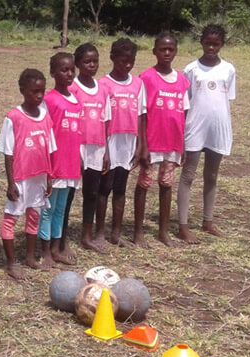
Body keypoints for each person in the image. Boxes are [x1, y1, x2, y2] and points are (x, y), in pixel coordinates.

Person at [177, 24, 237, 244]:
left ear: (222, 45)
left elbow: (226, 99)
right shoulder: (191, 69)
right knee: (188, 175)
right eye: (208, 43)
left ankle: (208, 221)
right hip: (195, 127)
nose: (211, 48)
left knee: (211, 176)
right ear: (201, 42)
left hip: (218, 128)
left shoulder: (228, 69)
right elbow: (186, 102)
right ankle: (183, 225)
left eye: (216, 44)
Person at [135, 32, 191, 248]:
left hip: (173, 142)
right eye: (162, 49)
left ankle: (163, 231)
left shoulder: (182, 80)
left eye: (170, 49)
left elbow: (183, 113)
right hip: (152, 142)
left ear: (176, 51)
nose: (166, 53)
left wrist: (182, 144)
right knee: (144, 184)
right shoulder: (146, 78)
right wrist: (142, 145)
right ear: (154, 51)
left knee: (166, 185)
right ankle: (138, 232)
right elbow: (142, 113)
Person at [0, 69, 55, 276]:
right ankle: (11, 262)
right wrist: (11, 182)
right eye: (34, 91)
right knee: (11, 219)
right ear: (22, 90)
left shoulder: (46, 117)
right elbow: (8, 153)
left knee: (34, 216)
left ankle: (30, 257)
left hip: (39, 178)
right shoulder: (13, 117)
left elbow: (50, 149)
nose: (39, 96)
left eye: (42, 91)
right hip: (21, 178)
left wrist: (49, 177)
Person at [98, 38, 146, 246]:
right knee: (104, 187)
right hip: (109, 141)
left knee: (120, 188)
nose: (127, 65)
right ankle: (100, 232)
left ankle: (116, 233)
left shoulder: (138, 84)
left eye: (131, 61)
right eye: (122, 61)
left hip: (128, 141)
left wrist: (140, 145)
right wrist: (104, 149)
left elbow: (141, 115)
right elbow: (100, 118)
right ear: (112, 58)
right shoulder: (103, 84)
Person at [39, 52, 81, 265]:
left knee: (60, 209)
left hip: (71, 165)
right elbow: (44, 133)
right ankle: (45, 251)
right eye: (64, 70)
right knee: (47, 209)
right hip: (55, 164)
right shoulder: (49, 100)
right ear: (53, 72)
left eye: (72, 69)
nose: (69, 74)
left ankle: (56, 249)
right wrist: (46, 166)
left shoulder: (76, 100)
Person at [69, 43, 111, 253]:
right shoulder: (72, 88)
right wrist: (71, 151)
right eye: (87, 61)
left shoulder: (103, 89)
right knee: (68, 193)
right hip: (76, 147)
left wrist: (107, 151)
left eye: (95, 61)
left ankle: (86, 236)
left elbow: (106, 121)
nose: (92, 65)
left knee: (92, 192)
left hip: (97, 148)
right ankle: (59, 238)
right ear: (77, 63)